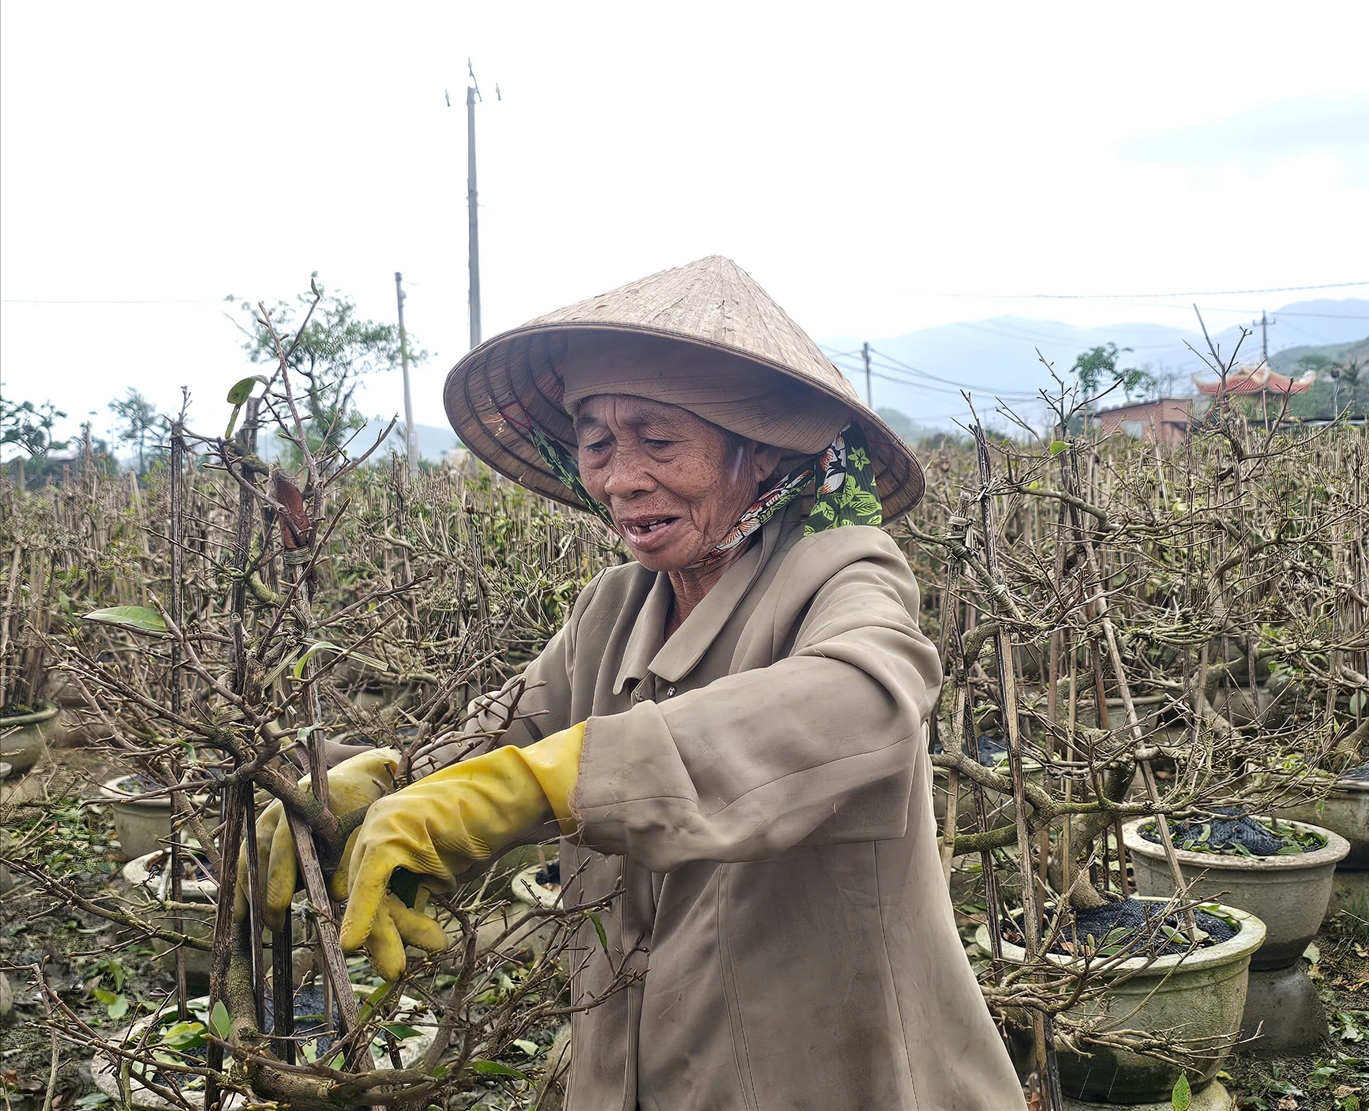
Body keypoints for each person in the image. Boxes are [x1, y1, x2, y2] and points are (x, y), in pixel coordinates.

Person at [240, 256, 1025, 1110]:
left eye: (658, 440)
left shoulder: (842, 572)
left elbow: (861, 701)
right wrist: (381, 784)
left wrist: (543, 782)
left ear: (757, 455)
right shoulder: (612, 608)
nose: (621, 478)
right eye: (598, 442)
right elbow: (502, 742)